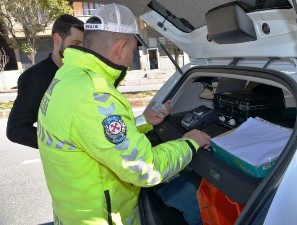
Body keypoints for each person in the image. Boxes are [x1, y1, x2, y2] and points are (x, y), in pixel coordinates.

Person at [37, 4, 210, 225]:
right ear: (120, 48)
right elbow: (146, 168)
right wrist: (189, 143)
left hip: (72, 212)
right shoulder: (96, 95)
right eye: (132, 50)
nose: (131, 58)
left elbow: (97, 137)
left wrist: (144, 122)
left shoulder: (69, 76)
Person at [6, 14, 84, 149]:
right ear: (57, 39)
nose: (81, 50)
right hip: (62, 163)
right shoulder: (35, 77)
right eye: (75, 44)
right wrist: (63, 145)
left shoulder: (83, 73)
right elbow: (16, 129)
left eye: (83, 45)